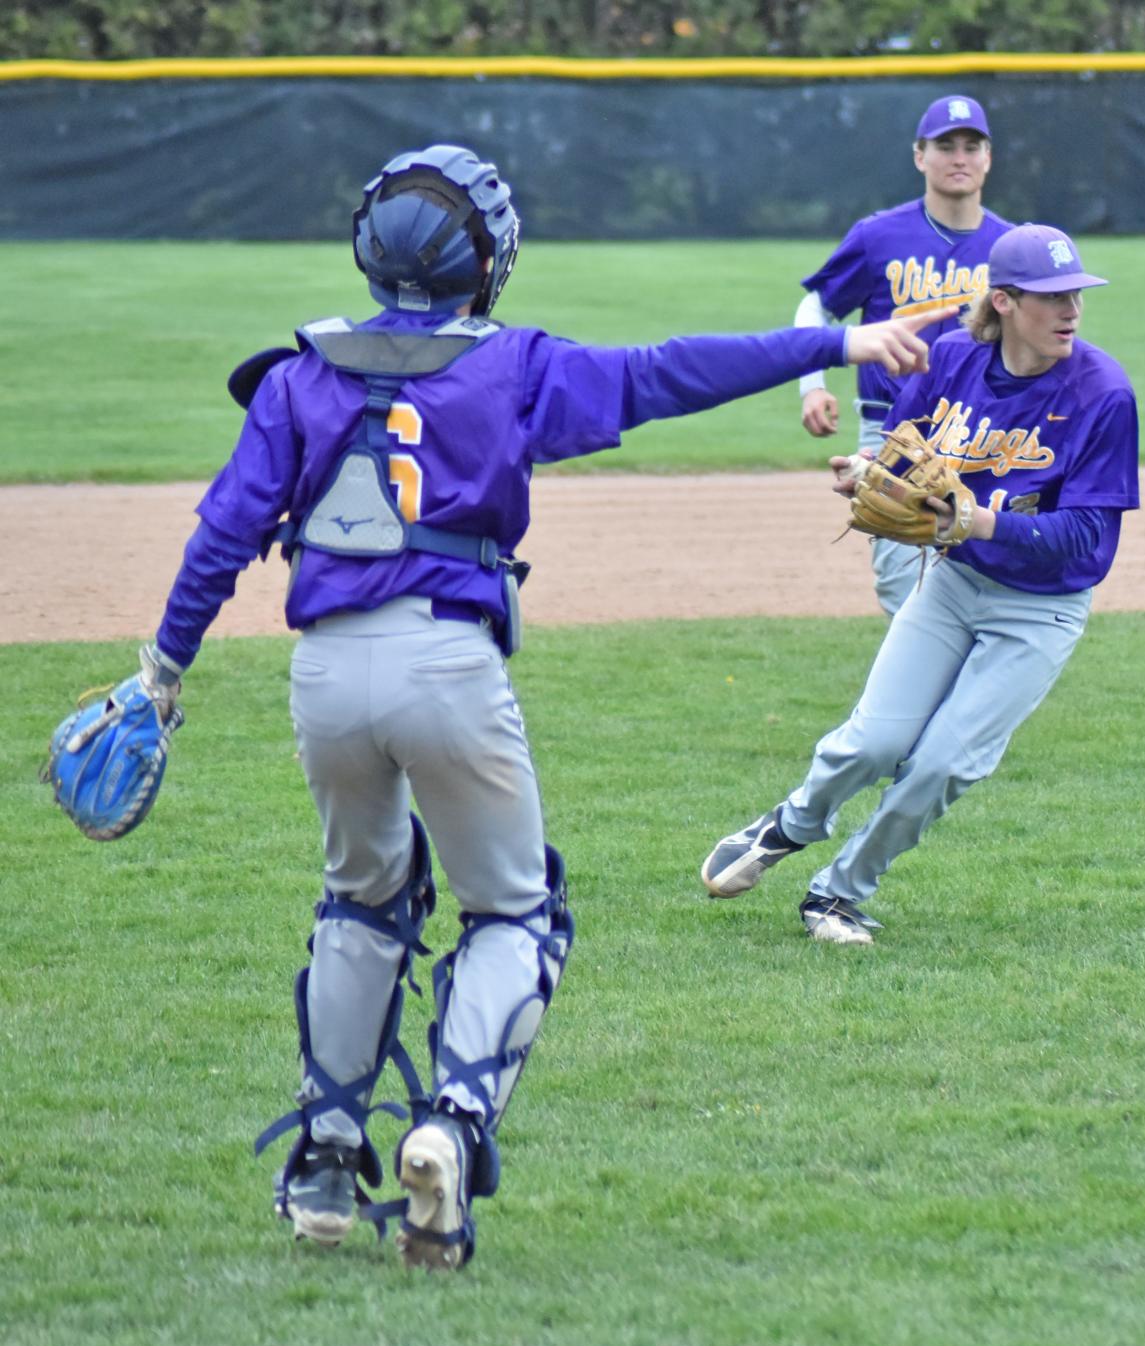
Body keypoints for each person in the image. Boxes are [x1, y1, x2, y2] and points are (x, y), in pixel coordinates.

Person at [129, 145, 952, 1270]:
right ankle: (450, 1131)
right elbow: (674, 371)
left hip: (321, 677)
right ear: (488, 260)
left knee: (360, 897)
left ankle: (324, 1162)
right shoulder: (511, 367)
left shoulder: (295, 375)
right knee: (515, 911)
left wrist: (161, 673)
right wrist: (838, 342)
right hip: (448, 667)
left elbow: (223, 535)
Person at [702, 223, 1139, 946]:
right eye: (1051, 296)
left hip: (1041, 610)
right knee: (874, 743)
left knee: (944, 764)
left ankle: (837, 894)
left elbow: (1088, 537)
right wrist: (867, 477)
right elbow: (905, 457)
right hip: (953, 585)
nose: (1071, 310)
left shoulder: (1102, 393)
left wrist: (977, 521)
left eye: (1077, 295)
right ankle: (791, 824)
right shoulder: (953, 359)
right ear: (1002, 301)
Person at [795, 94, 1013, 614]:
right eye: (945, 146)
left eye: (971, 145)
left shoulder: (1011, 247)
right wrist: (813, 384)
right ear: (920, 156)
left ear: (988, 157)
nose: (958, 157)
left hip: (982, 431)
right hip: (893, 431)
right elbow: (815, 308)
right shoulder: (878, 236)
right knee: (903, 590)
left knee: (985, 581)